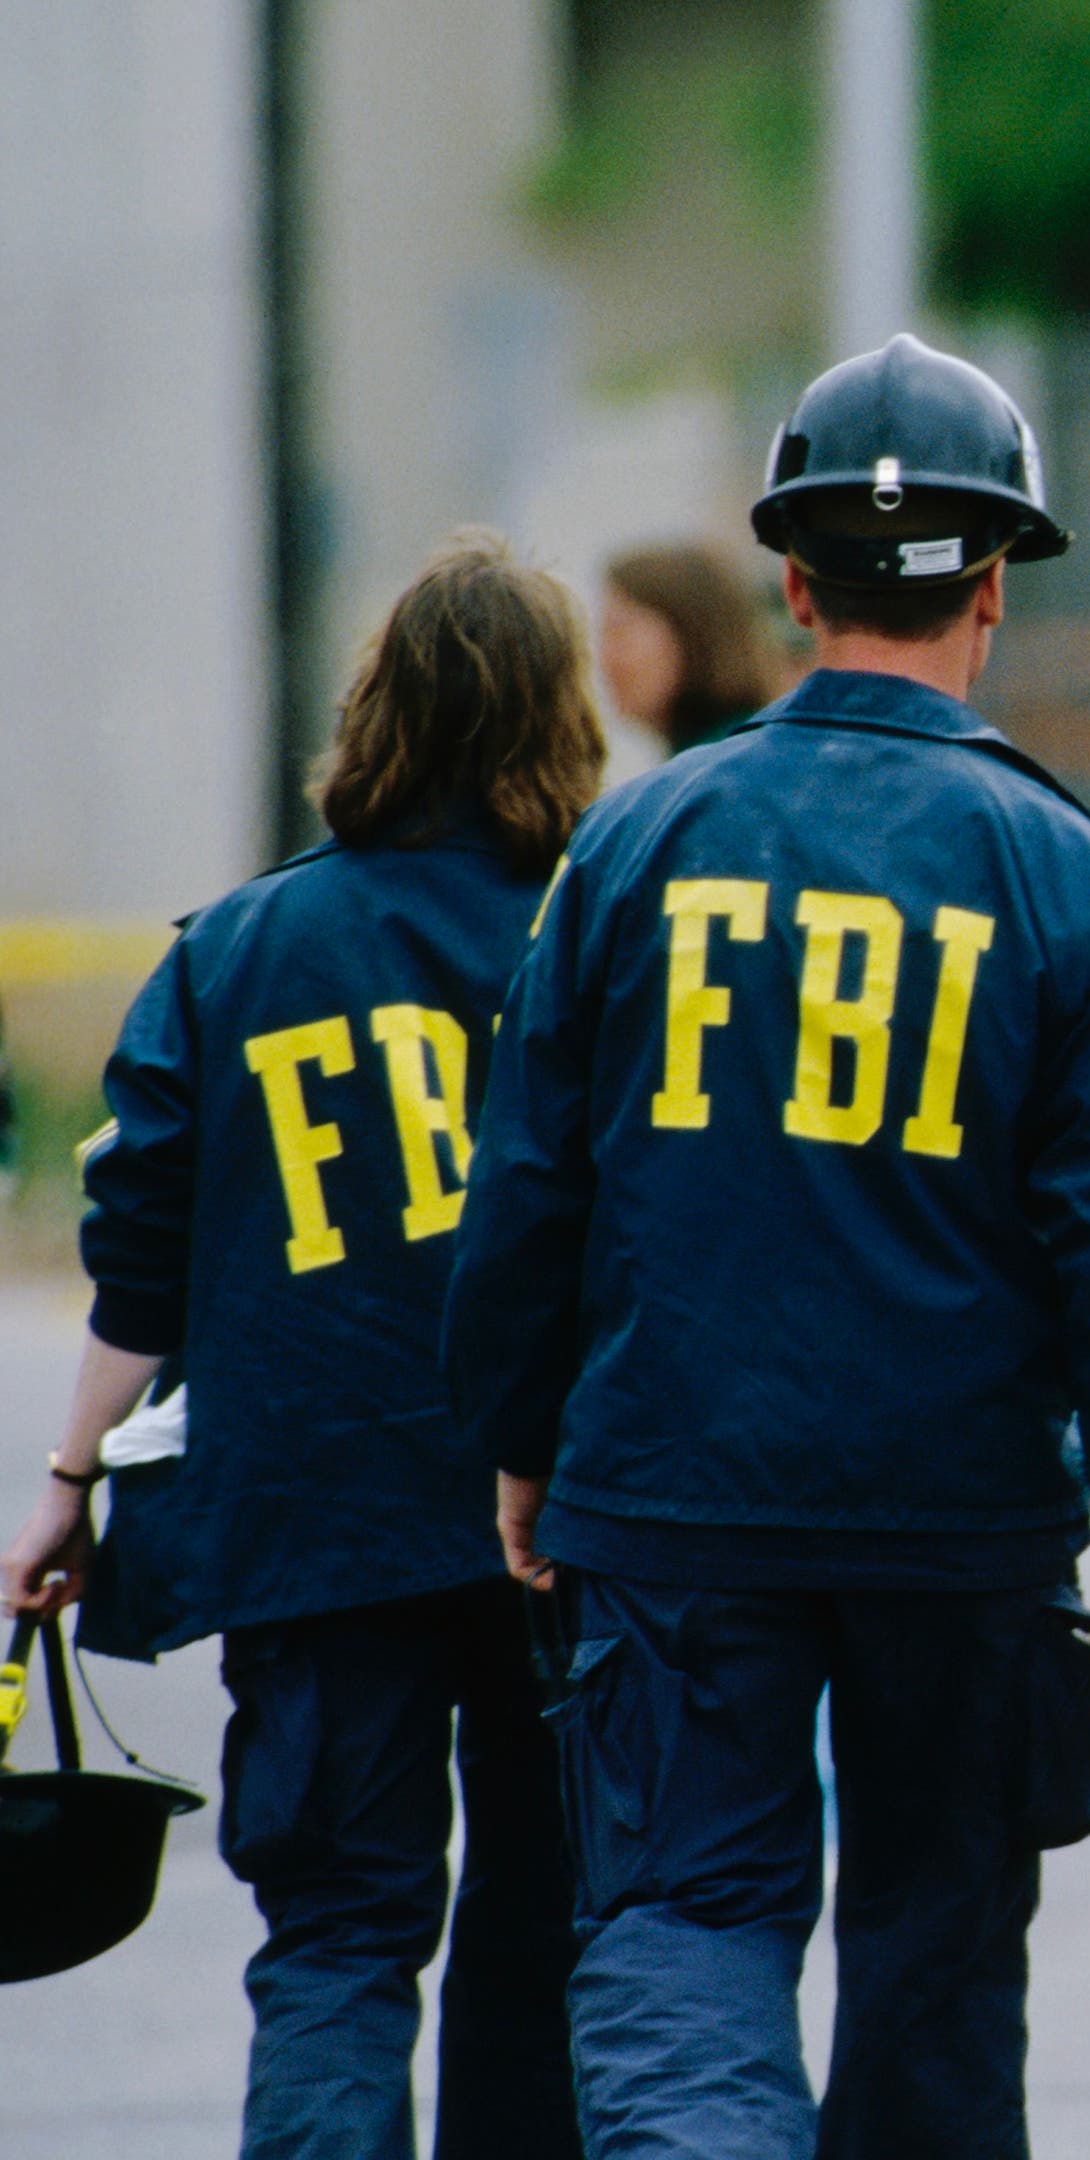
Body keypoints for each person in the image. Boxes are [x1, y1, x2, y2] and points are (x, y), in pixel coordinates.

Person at [445, 334, 1090, 2159]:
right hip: (959, 1523)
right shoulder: (1071, 878)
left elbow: (532, 1180)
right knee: (938, 1959)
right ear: (993, 591)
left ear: (794, 588)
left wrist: (515, 1433)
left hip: (668, 1491)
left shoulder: (635, 846)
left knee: (681, 1926)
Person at [3, 532, 602, 2158]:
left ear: (375, 713)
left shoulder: (236, 953)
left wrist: (67, 1485)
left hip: (315, 1525)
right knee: (544, 1933)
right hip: (564, 1519)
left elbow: (140, 1267)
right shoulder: (595, 934)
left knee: (337, 1939)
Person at [598, 541, 787, 755]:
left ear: (689, 631)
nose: (605, 657)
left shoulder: (730, 764)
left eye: (619, 631)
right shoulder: (740, 748)